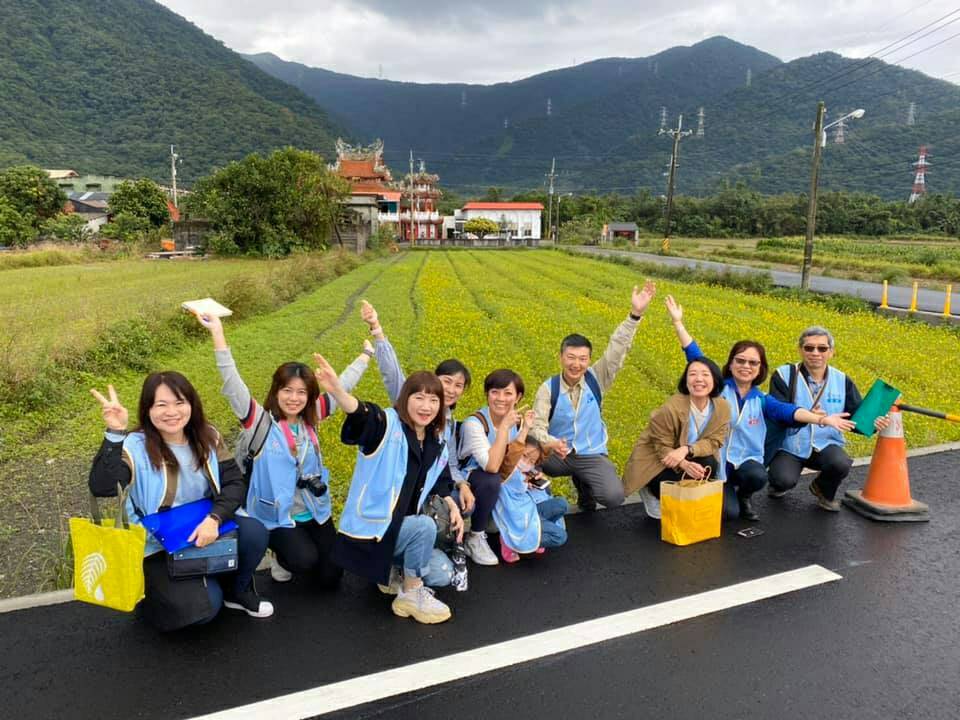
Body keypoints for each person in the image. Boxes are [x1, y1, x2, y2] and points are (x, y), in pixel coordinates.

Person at [195, 311, 371, 587]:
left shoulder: (312, 417)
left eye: (302, 392)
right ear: (276, 391)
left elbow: (342, 387)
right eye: (287, 391)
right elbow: (232, 384)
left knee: (332, 575)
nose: (294, 398)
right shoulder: (259, 422)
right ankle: (280, 554)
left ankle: (302, 548)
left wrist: (365, 356)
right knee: (304, 561)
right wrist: (218, 334)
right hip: (276, 513)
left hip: (313, 508)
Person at [89, 374, 272, 632]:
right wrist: (115, 433)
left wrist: (215, 518)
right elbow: (103, 487)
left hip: (203, 527)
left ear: (191, 404)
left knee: (254, 533)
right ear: (148, 409)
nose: (171, 412)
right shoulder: (133, 446)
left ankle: (236, 590)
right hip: (157, 544)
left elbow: (234, 483)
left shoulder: (207, 436)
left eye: (179, 402)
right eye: (161, 405)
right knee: (203, 610)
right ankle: (158, 598)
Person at [665, 296, 856, 520]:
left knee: (758, 477)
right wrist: (678, 323)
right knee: (728, 514)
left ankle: (744, 495)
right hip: (712, 460)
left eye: (753, 363)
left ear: (760, 369)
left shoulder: (761, 399)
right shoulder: (717, 387)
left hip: (744, 460)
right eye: (740, 361)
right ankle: (727, 496)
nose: (746, 366)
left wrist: (821, 419)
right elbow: (696, 357)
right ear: (731, 363)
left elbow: (789, 411)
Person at [316, 357, 465, 625]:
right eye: (419, 397)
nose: (426, 406)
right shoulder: (387, 425)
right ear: (406, 398)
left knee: (442, 573)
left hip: (400, 531)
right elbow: (363, 415)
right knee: (424, 527)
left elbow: (441, 477)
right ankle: (410, 593)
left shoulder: (434, 439)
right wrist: (338, 391)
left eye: (434, 400)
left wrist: (451, 502)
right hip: (375, 531)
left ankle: (394, 572)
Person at [530, 281, 656, 511]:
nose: (576, 364)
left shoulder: (596, 378)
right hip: (556, 455)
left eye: (582, 358)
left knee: (613, 497)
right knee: (528, 444)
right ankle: (535, 498)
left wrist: (635, 315)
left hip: (590, 453)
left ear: (588, 360)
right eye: (571, 357)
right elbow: (536, 425)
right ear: (561, 357)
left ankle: (584, 482)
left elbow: (616, 349)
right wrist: (550, 442)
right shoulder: (549, 388)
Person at [359, 299, 477, 529]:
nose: (451, 390)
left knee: (467, 505)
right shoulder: (414, 404)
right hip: (402, 484)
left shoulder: (450, 424)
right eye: (446, 382)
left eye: (459, 385)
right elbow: (392, 374)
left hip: (432, 483)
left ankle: (444, 541)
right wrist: (377, 330)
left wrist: (463, 485)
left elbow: (449, 462)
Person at [766, 326, 889, 511]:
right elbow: (777, 414)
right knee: (782, 480)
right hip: (790, 444)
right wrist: (808, 416)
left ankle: (823, 490)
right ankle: (778, 484)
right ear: (800, 350)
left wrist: (873, 424)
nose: (815, 353)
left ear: (831, 352)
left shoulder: (842, 379)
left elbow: (855, 417)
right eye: (809, 348)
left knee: (840, 463)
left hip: (826, 443)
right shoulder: (784, 375)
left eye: (822, 348)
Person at [622, 357, 732, 519]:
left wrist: (687, 450)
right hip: (659, 460)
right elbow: (661, 447)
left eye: (705, 374)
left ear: (715, 379)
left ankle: (682, 499)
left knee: (710, 464)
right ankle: (651, 489)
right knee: (666, 502)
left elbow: (716, 441)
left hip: (686, 453)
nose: (699, 379)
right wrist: (683, 463)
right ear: (686, 380)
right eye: (692, 374)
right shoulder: (671, 408)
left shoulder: (722, 406)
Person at [458, 368, 529, 565]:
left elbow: (516, 457)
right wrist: (504, 428)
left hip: (504, 477)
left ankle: (495, 524)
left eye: (508, 393)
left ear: (518, 397)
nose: (501, 398)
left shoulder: (518, 421)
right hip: (472, 479)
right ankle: (475, 536)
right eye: (495, 392)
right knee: (491, 480)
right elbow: (491, 466)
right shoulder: (475, 423)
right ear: (487, 394)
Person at [493, 410, 568, 563]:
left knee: (562, 504)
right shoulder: (507, 470)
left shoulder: (528, 472)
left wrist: (553, 445)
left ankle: (538, 533)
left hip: (531, 513)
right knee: (560, 536)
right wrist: (525, 428)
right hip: (517, 520)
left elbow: (540, 456)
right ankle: (511, 543)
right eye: (524, 456)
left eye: (531, 461)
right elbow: (513, 456)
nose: (526, 462)